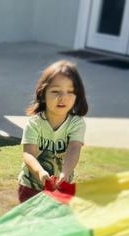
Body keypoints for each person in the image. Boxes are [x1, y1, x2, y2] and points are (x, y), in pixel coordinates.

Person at [17, 60, 88, 203]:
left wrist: (65, 174)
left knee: (54, 223)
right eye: (56, 91)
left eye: (70, 91)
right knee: (31, 223)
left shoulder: (77, 124)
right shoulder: (34, 123)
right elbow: (28, 153)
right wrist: (40, 173)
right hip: (30, 186)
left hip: (62, 186)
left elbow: (74, 149)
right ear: (43, 94)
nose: (63, 97)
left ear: (77, 95)